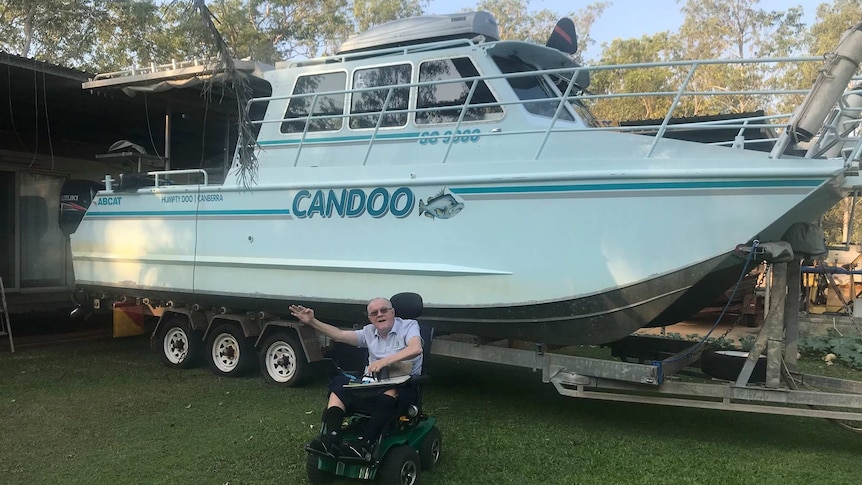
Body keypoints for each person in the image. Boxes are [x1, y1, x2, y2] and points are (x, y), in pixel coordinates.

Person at [290, 297, 423, 459]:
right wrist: (312, 321)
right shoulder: (369, 332)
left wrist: (385, 361)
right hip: (373, 384)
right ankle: (330, 438)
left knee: (390, 390)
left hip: (404, 385)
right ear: (370, 318)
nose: (379, 315)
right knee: (338, 385)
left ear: (392, 312)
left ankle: (366, 443)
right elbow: (339, 335)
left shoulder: (409, 326)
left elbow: (416, 348)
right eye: (374, 313)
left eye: (384, 310)